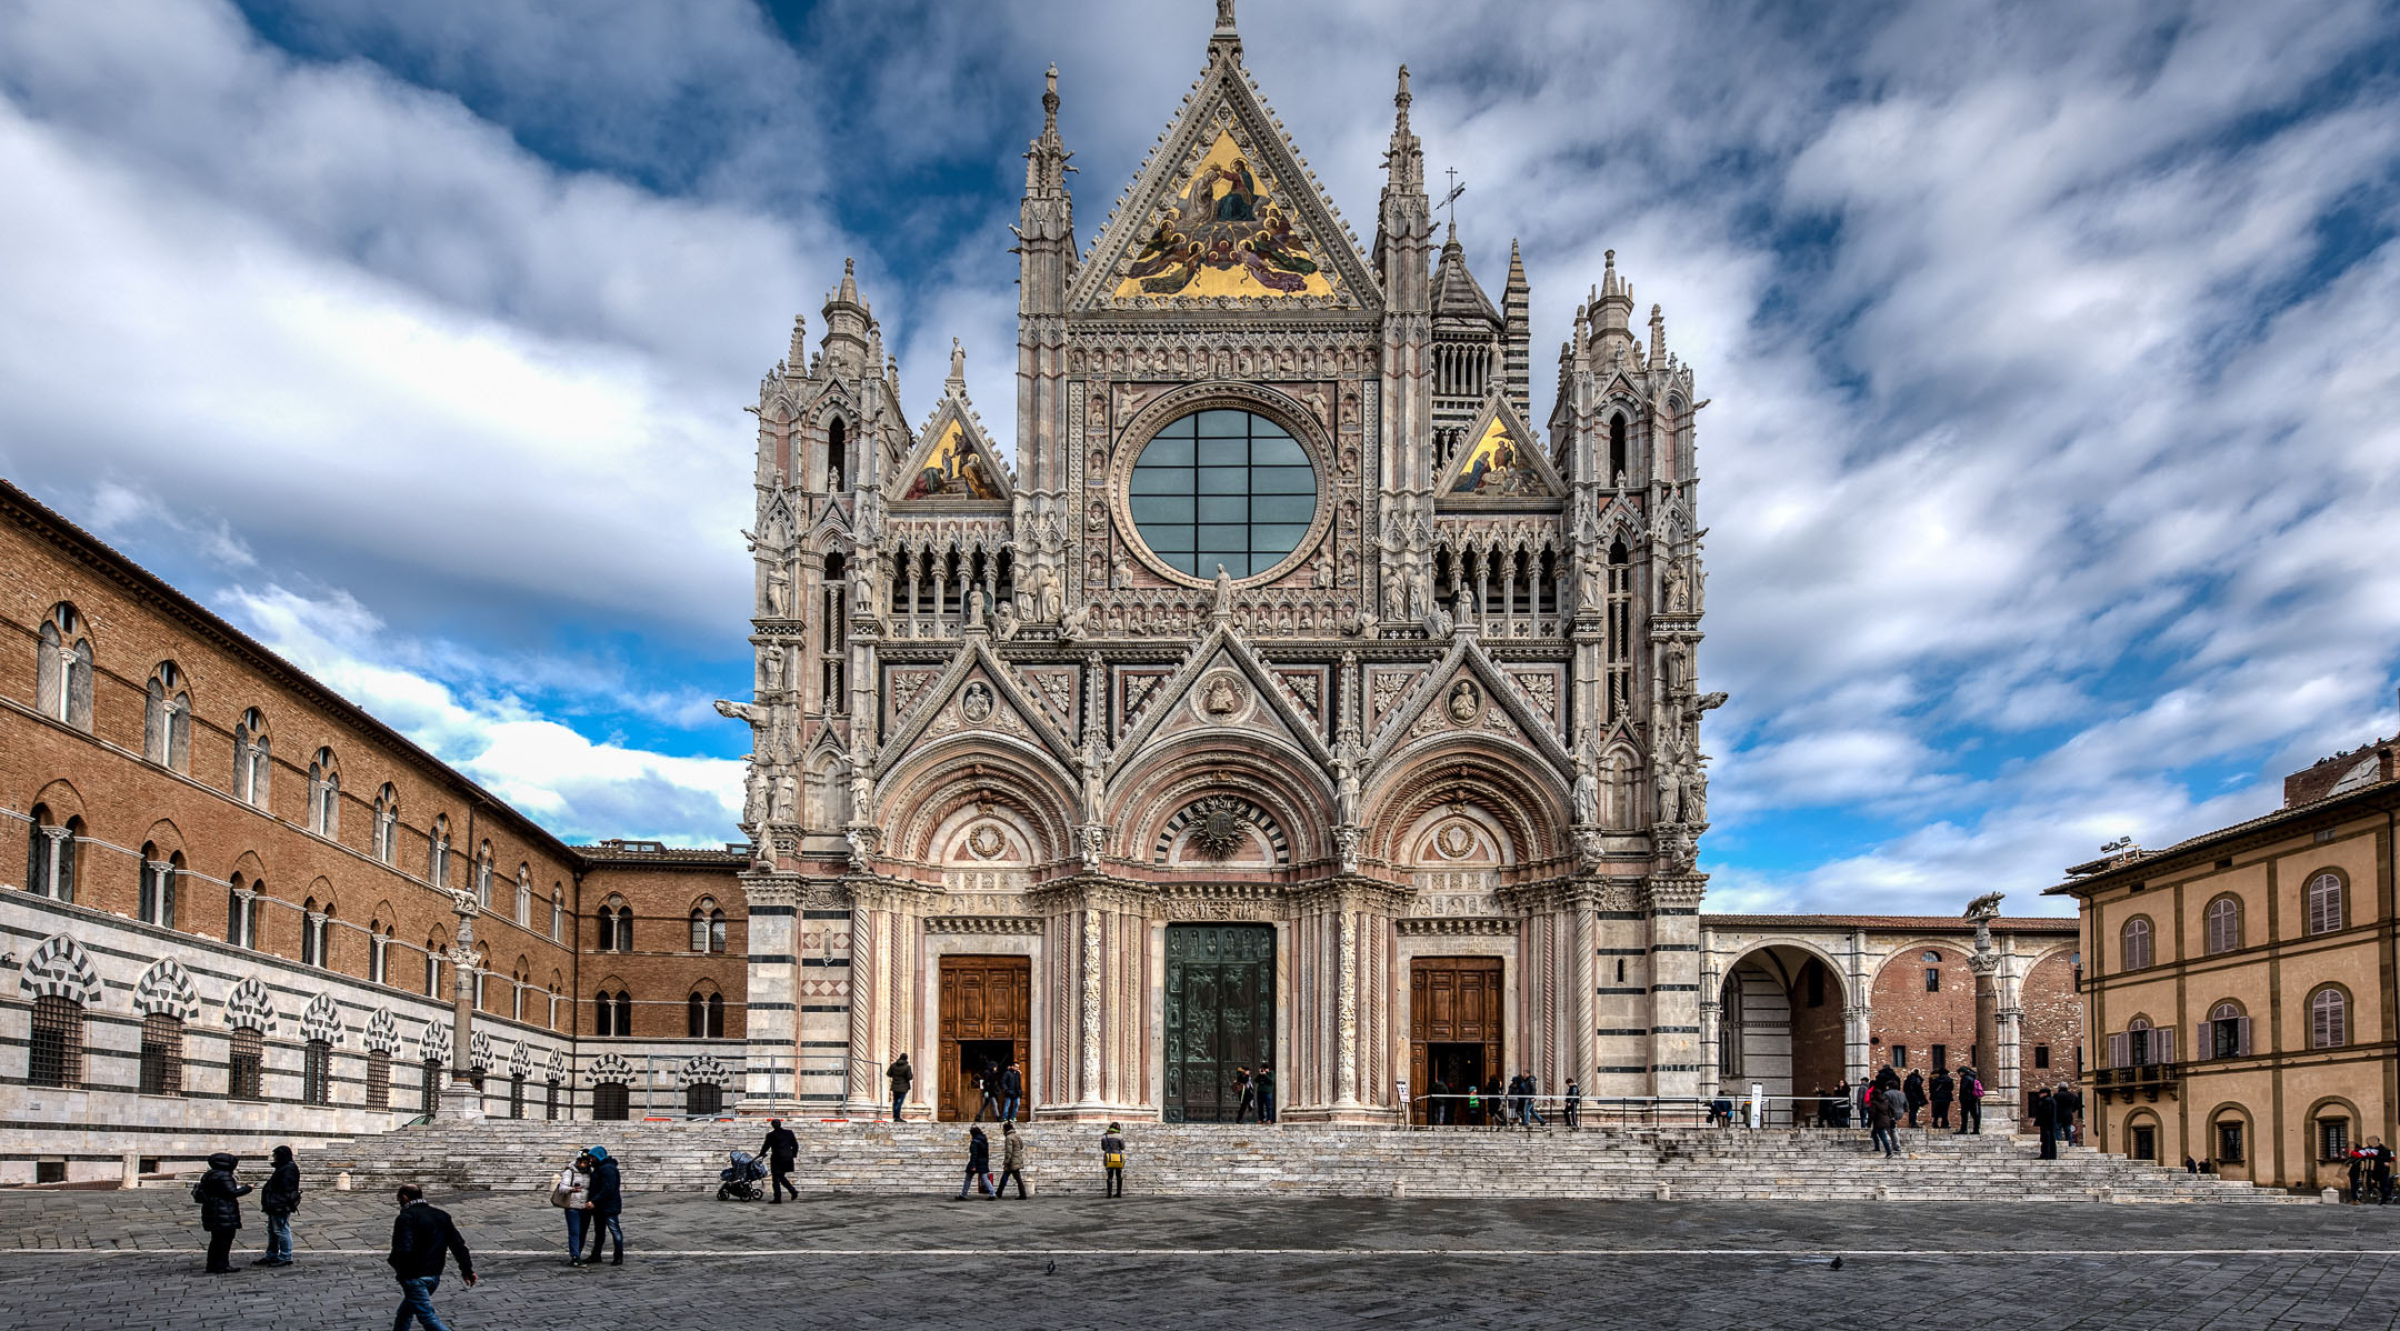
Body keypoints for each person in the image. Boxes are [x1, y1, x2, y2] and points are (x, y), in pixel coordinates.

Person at [388, 1183, 475, 1331]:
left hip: (414, 1276)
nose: (399, 1203)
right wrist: (467, 1270)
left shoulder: (406, 1217)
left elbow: (402, 1248)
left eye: (399, 1200)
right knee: (405, 1312)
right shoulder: (441, 1215)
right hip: (434, 1274)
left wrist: (399, 1270)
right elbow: (458, 1245)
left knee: (428, 1318)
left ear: (404, 1197)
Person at [193, 1151, 251, 1275]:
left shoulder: (209, 1175)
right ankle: (222, 1265)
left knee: (216, 1240)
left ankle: (212, 1264)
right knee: (224, 1240)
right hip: (223, 1211)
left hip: (212, 1210)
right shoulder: (224, 1176)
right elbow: (232, 1192)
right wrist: (248, 1188)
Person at [255, 1144, 300, 1267]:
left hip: (279, 1204)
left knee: (281, 1229)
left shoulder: (288, 1168)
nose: (274, 1158)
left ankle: (285, 1256)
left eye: (275, 1156)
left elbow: (285, 1188)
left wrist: (276, 1199)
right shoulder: (283, 1167)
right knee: (273, 1230)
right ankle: (272, 1254)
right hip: (274, 1204)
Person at [582, 1145, 624, 1266]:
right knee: (599, 1232)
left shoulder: (607, 1169)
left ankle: (618, 1256)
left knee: (615, 1231)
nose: (590, 1160)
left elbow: (608, 1189)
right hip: (600, 1207)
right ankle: (596, 1255)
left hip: (608, 1206)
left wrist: (594, 1201)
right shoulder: (600, 1168)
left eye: (592, 1157)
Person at [549, 1151, 590, 1265]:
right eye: (581, 1162)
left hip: (585, 1207)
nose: (583, 1165)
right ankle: (575, 1256)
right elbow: (562, 1188)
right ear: (577, 1161)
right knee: (574, 1232)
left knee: (583, 1232)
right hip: (572, 1206)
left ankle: (578, 1253)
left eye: (585, 1163)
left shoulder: (590, 1172)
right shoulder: (569, 1171)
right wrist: (571, 1189)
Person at [761, 1118, 799, 1204]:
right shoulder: (789, 1133)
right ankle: (793, 1191)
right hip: (787, 1158)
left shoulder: (771, 1135)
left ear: (772, 1126)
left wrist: (761, 1154)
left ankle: (778, 1198)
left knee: (776, 1178)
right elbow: (795, 1145)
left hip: (777, 1159)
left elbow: (765, 1146)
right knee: (780, 1176)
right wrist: (793, 1154)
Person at [955, 1125, 993, 1200]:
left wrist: (972, 1165)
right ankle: (992, 1193)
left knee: (968, 1178)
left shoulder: (975, 1141)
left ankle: (963, 1194)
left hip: (976, 1162)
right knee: (985, 1178)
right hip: (984, 1161)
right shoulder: (984, 1140)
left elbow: (974, 1154)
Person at [994, 1121, 1029, 1200]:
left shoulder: (1008, 1137)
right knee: (1008, 1177)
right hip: (1016, 1159)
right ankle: (999, 1192)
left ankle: (1022, 1194)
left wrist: (1006, 1161)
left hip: (1011, 1161)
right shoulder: (1016, 1135)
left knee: (1014, 1178)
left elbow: (1008, 1151)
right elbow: (1021, 1146)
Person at [1867, 1083, 1900, 1158]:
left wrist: (1868, 1123)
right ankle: (1877, 1147)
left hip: (1879, 1122)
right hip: (1886, 1120)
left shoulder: (1874, 1103)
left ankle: (1889, 1152)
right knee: (1874, 1133)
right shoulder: (1886, 1101)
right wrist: (1891, 1117)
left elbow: (1872, 1114)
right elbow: (1892, 1110)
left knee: (1883, 1137)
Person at [1100, 1122, 1127, 1197]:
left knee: (1109, 1176)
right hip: (1118, 1157)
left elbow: (1103, 1148)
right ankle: (1119, 1193)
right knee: (1118, 1175)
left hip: (1108, 1157)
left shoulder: (1104, 1136)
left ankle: (1109, 1194)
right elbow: (1123, 1147)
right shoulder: (1119, 1136)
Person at [2032, 1087, 2058, 1160]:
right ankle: (2052, 1154)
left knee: (2046, 1139)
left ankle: (2046, 1154)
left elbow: (2045, 1113)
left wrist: (2040, 1120)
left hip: (2046, 1123)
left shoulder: (2046, 1101)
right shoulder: (2052, 1100)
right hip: (2051, 1123)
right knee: (2051, 1139)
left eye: (2040, 1093)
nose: (2039, 1095)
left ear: (2044, 1094)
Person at [2054, 1082, 2082, 1147]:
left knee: (2058, 1129)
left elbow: (2053, 1105)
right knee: (2068, 1129)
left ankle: (2059, 1143)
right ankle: (2069, 1143)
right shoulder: (2072, 1096)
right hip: (2068, 1115)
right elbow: (2078, 1105)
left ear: (2059, 1088)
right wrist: (2072, 1110)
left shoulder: (2057, 1096)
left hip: (2058, 1115)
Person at [1956, 1066, 1983, 1135]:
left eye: (1959, 1073)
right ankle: (1976, 1130)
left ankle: (1963, 1129)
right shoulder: (1972, 1077)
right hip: (1973, 1098)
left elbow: (1964, 1089)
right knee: (1975, 1115)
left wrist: (1962, 1098)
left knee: (1964, 1114)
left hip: (1967, 1099)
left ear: (1962, 1072)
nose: (1959, 1074)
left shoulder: (1965, 1078)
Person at [887, 1053, 913, 1123]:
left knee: (895, 1101)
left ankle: (896, 1117)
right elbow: (909, 1077)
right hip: (903, 1087)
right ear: (906, 1058)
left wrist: (895, 1076)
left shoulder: (893, 1065)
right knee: (899, 1102)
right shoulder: (907, 1067)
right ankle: (897, 1116)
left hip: (895, 1086)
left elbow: (888, 1074)